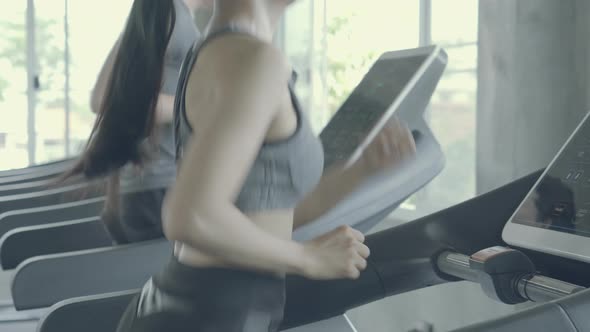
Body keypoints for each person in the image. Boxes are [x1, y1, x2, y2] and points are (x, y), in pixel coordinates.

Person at [75, 0, 416, 330]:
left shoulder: (220, 50)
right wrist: (308, 258)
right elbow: (190, 217)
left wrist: (360, 171)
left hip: (196, 303)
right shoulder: (254, 61)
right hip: (213, 309)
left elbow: (265, 210)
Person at [69, 0, 205, 244]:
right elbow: (116, 101)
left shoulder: (161, 14)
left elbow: (103, 99)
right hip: (156, 188)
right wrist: (199, 105)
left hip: (142, 188)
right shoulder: (173, 19)